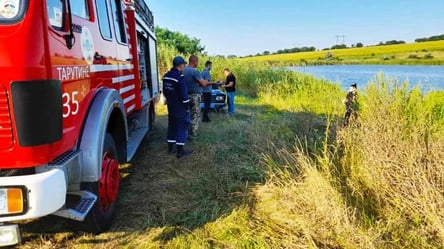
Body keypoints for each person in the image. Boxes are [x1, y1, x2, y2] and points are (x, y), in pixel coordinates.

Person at [162, 56, 193, 158]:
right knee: (181, 126)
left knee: (172, 124)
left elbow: (165, 91)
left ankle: (171, 148)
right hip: (179, 106)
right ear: (180, 66)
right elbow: (184, 95)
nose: (184, 66)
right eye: (184, 65)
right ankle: (180, 151)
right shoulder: (179, 78)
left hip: (171, 105)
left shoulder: (166, 76)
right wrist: (187, 105)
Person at [183, 55, 210, 138]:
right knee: (195, 114)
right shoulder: (194, 71)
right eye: (197, 61)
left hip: (185, 96)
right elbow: (204, 83)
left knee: (186, 114)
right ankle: (193, 134)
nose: (198, 63)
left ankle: (185, 132)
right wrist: (205, 81)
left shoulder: (183, 70)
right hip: (194, 96)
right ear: (194, 61)